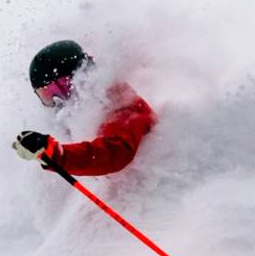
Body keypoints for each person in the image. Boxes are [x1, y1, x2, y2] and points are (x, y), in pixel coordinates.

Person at [12, 39, 155, 176]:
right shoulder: (79, 115)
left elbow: (114, 153)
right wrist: (39, 147)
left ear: (83, 74)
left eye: (62, 87)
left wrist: (56, 154)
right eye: (47, 94)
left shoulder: (119, 102)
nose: (58, 100)